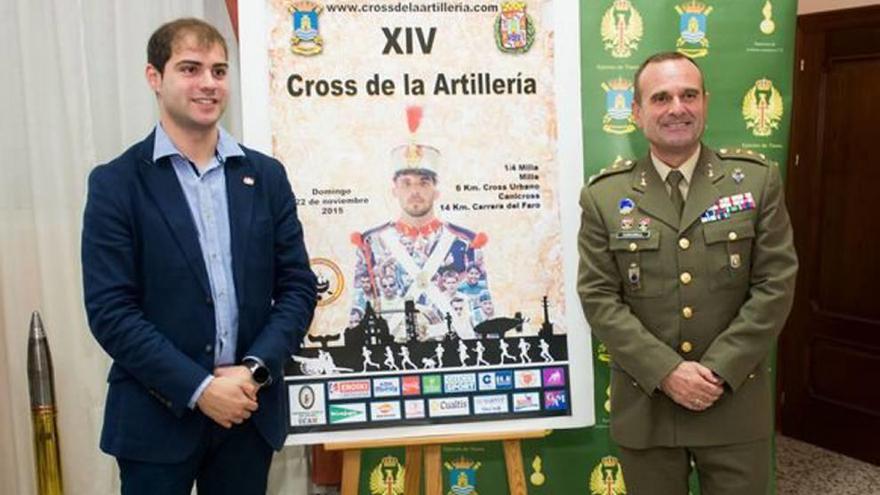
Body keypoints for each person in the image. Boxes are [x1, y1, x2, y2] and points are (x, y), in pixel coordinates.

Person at [81, 18, 317, 495]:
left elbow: (297, 287)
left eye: (218, 70)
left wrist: (253, 369)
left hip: (246, 416)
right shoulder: (117, 184)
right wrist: (201, 388)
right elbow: (111, 311)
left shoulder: (266, 176)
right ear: (155, 77)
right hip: (156, 421)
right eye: (190, 69)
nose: (208, 83)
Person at [577, 51, 797, 494]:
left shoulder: (756, 181)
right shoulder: (604, 196)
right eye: (661, 97)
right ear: (637, 113)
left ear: (705, 103)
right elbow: (599, 297)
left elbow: (775, 285)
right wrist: (667, 371)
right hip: (648, 406)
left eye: (688, 95)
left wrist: (716, 370)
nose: (677, 107)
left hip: (732, 401)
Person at [350, 110, 494, 341]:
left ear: (436, 189)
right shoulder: (370, 243)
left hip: (454, 354)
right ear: (394, 190)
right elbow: (361, 309)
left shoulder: (466, 242)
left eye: (423, 182)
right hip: (393, 357)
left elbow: (481, 311)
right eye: (406, 183)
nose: (415, 191)